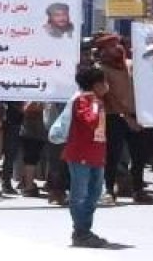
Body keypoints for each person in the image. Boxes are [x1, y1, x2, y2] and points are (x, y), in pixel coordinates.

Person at [91, 32, 153, 204]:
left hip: (137, 115)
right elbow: (109, 96)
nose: (117, 47)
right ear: (103, 50)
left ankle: (138, 189)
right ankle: (109, 189)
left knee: (139, 155)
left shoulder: (130, 65)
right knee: (113, 155)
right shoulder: (100, 69)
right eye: (111, 45)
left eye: (118, 43)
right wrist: (127, 117)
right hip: (114, 117)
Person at [61, 65, 113, 248]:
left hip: (96, 155)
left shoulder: (97, 100)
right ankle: (80, 232)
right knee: (80, 194)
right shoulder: (85, 100)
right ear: (96, 84)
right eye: (104, 81)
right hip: (81, 155)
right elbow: (89, 120)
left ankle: (85, 229)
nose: (107, 85)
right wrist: (97, 105)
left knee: (94, 194)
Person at [18, 101, 48, 196]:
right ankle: (28, 187)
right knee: (30, 160)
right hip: (32, 132)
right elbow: (26, 108)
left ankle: (26, 183)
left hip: (36, 131)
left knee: (30, 159)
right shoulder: (34, 96)